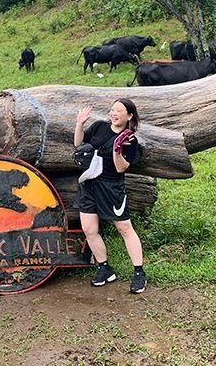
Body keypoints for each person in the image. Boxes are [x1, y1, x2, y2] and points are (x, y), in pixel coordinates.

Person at [74, 97, 147, 293]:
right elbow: (78, 143)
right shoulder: (98, 127)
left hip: (111, 187)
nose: (114, 114)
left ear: (129, 116)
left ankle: (139, 273)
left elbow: (121, 168)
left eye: (119, 111)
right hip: (89, 184)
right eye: (113, 110)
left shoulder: (130, 139)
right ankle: (104, 268)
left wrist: (117, 150)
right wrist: (80, 123)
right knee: (89, 229)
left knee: (124, 228)